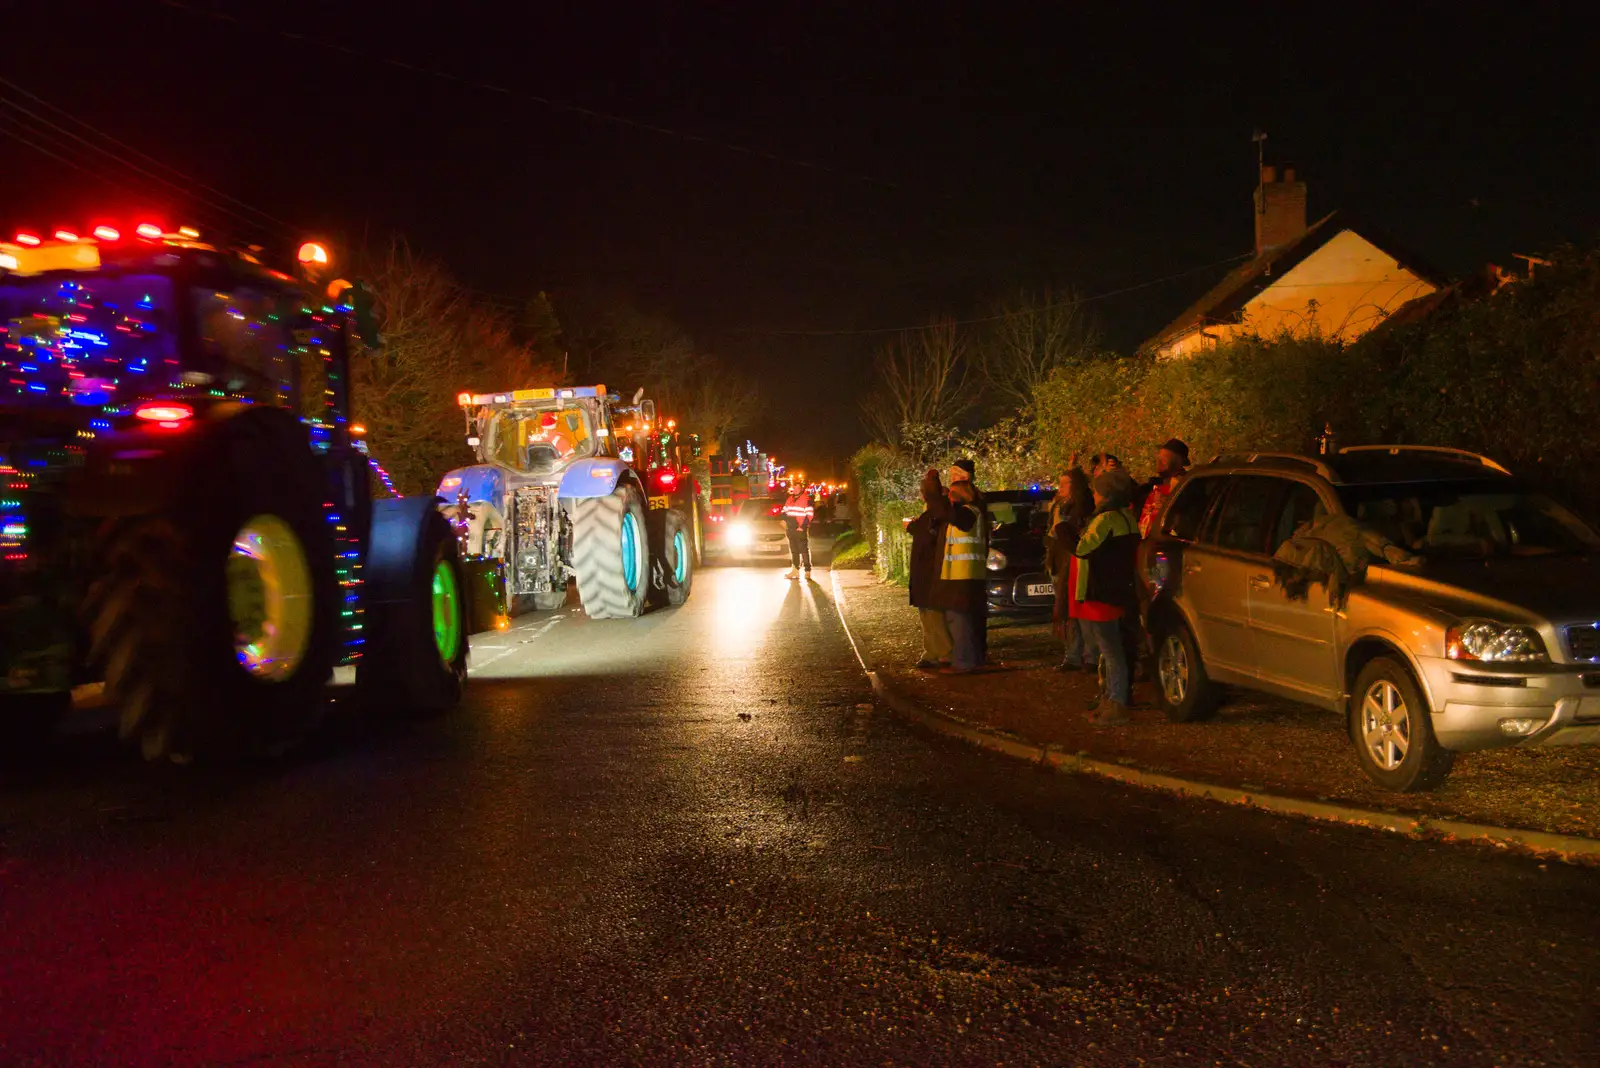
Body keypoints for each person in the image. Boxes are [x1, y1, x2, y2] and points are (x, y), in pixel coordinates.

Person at [1070, 468, 1141, 724]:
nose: (1095, 496)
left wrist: (1066, 533)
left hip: (1100, 592)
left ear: (1106, 494)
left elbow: (1083, 549)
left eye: (1098, 491)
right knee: (1113, 648)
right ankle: (1110, 698)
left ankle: (1115, 702)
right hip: (1120, 591)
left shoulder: (1105, 520)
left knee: (1110, 651)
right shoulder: (1128, 518)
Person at [929, 458, 989, 674]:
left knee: (960, 619)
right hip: (962, 574)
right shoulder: (970, 510)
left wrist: (933, 491)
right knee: (963, 619)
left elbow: (947, 514)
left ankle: (965, 663)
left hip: (962, 575)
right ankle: (969, 659)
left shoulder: (968, 512)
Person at [1046, 468, 1093, 672]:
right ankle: (1073, 655)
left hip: (1073, 561)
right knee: (1068, 611)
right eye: (1060, 482)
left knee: (1080, 612)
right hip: (1059, 561)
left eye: (1066, 483)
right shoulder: (1058, 506)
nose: (1061, 487)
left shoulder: (1080, 505)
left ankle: (1089, 656)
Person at [906, 468, 953, 670]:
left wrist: (912, 527)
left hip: (929, 569)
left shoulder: (936, 511)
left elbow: (928, 536)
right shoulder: (936, 510)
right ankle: (932, 651)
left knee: (932, 612)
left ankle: (942, 652)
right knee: (927, 611)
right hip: (925, 569)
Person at [1138, 438, 1190, 538]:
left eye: (1164, 460)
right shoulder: (1154, 485)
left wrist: (1168, 503)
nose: (1159, 462)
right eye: (1159, 458)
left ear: (1179, 462)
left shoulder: (1186, 485)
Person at [781, 483, 814, 579]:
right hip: (791, 529)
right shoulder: (789, 499)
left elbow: (809, 515)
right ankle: (795, 570)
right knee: (794, 551)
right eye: (794, 488)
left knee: (803, 550)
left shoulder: (807, 499)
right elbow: (784, 511)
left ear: (801, 489)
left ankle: (807, 571)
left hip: (800, 529)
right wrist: (784, 519)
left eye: (797, 488)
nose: (795, 490)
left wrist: (803, 527)